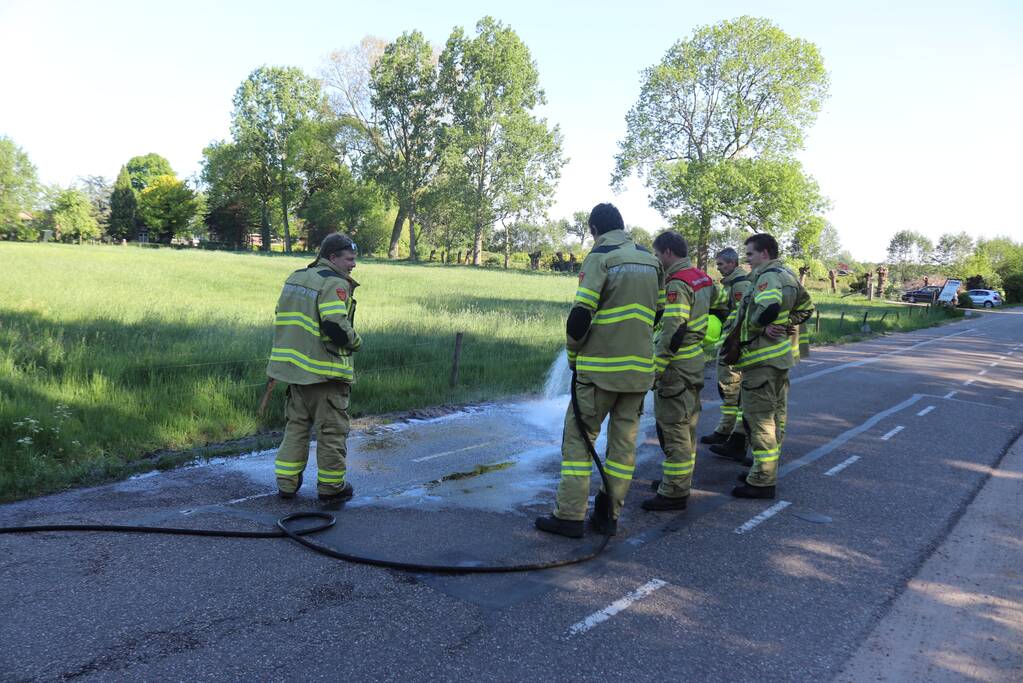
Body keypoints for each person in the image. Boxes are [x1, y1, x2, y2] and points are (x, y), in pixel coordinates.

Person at [535, 203, 662, 538]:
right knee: (623, 448)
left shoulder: (601, 256)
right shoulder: (650, 260)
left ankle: (570, 516)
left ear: (594, 229)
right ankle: (608, 516)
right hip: (638, 374)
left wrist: (574, 358)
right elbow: (658, 313)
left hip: (599, 372)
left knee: (578, 442)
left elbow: (580, 316)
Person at [266, 233, 363, 510]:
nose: (353, 265)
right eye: (349, 259)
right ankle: (332, 489)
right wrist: (356, 341)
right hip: (325, 375)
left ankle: (286, 484)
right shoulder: (334, 283)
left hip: (295, 373)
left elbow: (283, 316)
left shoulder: (296, 278)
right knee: (331, 432)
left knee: (296, 428)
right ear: (332, 257)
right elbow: (334, 325)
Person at [730, 233, 813, 499]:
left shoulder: (768, 277)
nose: (748, 261)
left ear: (764, 253)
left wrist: (760, 325)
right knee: (776, 417)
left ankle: (762, 480)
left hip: (761, 359)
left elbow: (768, 307)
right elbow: (808, 307)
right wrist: (789, 323)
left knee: (760, 420)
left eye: (750, 255)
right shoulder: (788, 274)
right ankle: (764, 469)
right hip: (780, 359)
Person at [642, 231, 718, 511]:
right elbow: (721, 307)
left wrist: (658, 368)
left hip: (677, 366)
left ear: (668, 253)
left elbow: (674, 329)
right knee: (688, 427)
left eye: (657, 254)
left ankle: (674, 492)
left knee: (674, 428)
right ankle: (677, 481)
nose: (657, 259)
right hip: (695, 360)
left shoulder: (677, 283)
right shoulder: (703, 278)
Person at [704, 248, 752, 460]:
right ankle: (725, 431)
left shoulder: (740, 284)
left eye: (722, 264)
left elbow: (740, 315)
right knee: (727, 389)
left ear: (732, 263)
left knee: (732, 390)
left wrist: (734, 344)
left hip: (734, 344)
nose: (719, 268)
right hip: (728, 341)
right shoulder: (730, 284)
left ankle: (733, 435)